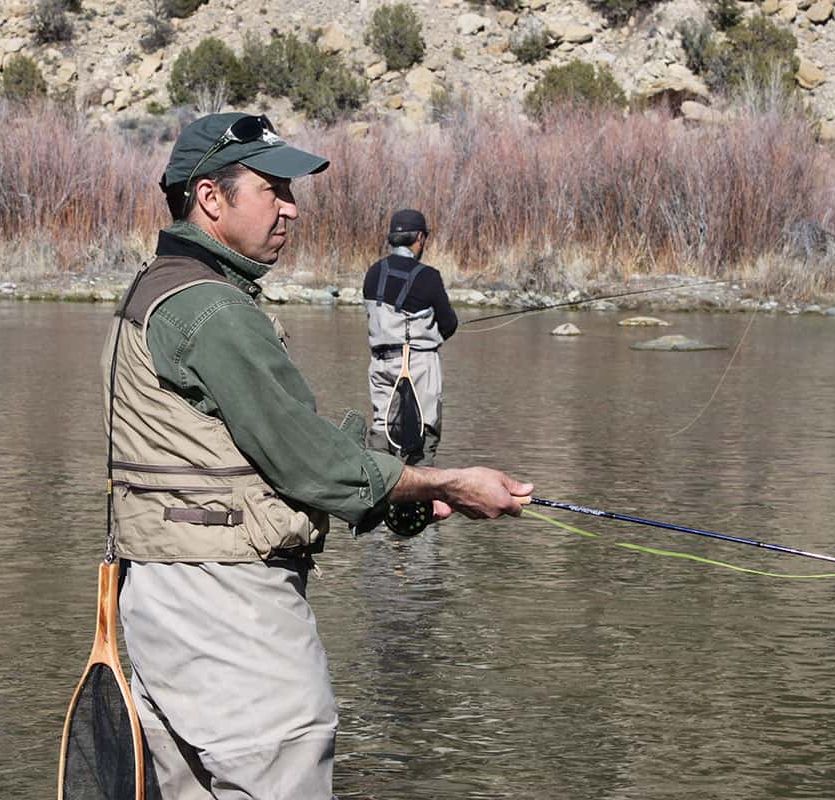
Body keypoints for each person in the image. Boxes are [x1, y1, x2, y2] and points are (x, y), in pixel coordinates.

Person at [102, 111, 532, 800]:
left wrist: (398, 494)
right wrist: (443, 481)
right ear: (211, 198)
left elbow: (254, 456)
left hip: (163, 602)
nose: (291, 208)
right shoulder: (213, 311)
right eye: (273, 189)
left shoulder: (158, 289)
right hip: (228, 613)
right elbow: (308, 462)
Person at [363, 209, 458, 466]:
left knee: (382, 428)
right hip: (419, 366)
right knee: (423, 435)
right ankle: (418, 501)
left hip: (381, 364)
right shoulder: (428, 277)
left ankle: (379, 495)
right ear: (419, 237)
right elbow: (449, 325)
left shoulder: (373, 273)